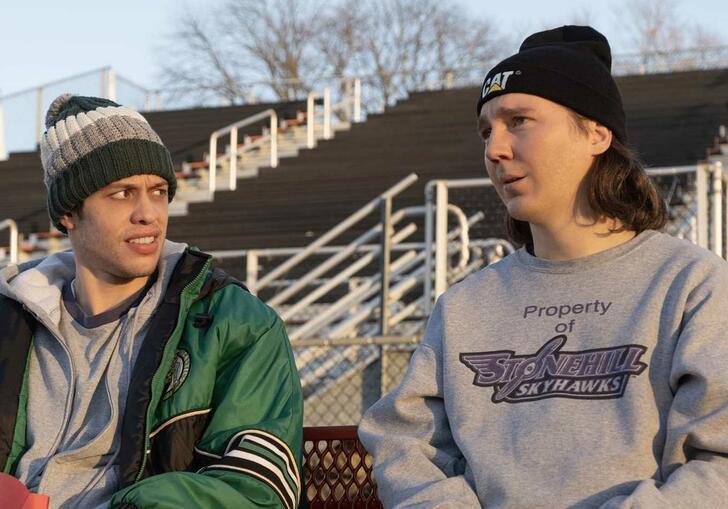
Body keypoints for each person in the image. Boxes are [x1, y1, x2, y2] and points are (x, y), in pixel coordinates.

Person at [358, 25, 728, 508]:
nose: (495, 149)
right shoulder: (466, 305)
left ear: (596, 133)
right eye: (487, 130)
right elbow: (405, 445)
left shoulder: (691, 284)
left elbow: (717, 464)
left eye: (519, 121)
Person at [0, 94, 303, 509]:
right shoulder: (11, 322)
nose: (149, 214)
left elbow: (257, 490)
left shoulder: (234, 323)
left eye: (158, 191)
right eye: (122, 194)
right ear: (69, 212)